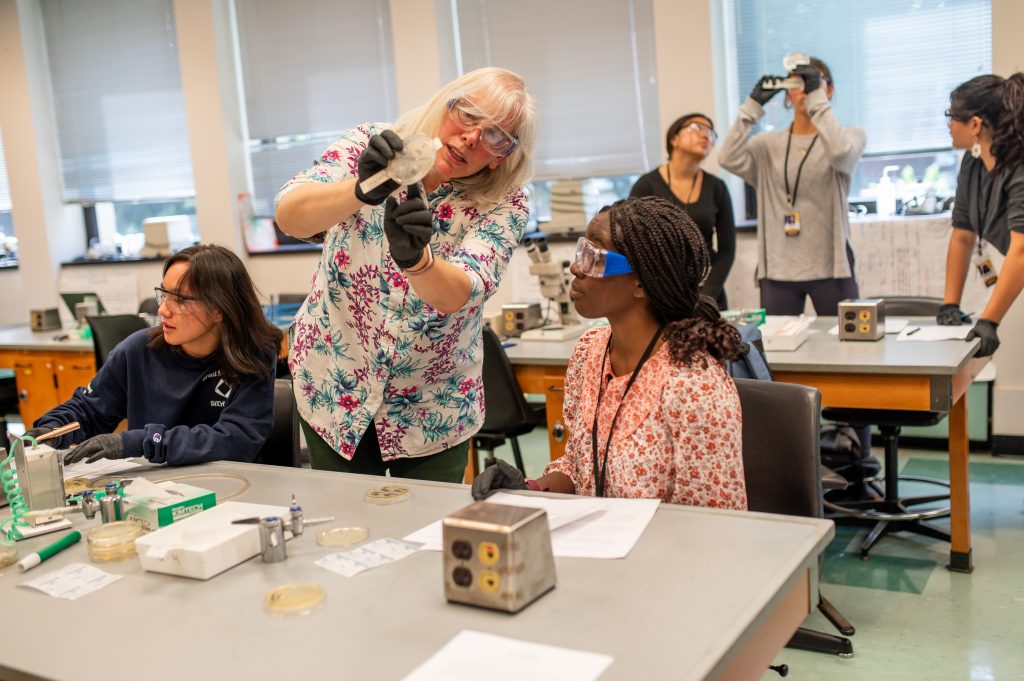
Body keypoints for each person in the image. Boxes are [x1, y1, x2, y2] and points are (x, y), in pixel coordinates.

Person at [274, 67, 536, 482]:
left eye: (494, 135)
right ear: (446, 104)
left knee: (429, 531)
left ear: (503, 154)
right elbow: (290, 216)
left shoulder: (505, 201)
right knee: (350, 522)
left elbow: (462, 291)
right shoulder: (370, 143)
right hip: (336, 386)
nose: (471, 137)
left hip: (434, 406)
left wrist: (419, 262)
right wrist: (363, 188)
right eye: (467, 114)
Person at [473, 196, 748, 509]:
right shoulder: (590, 351)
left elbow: (714, 524)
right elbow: (579, 469)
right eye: (581, 250)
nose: (576, 267)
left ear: (642, 283)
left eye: (594, 255)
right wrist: (530, 487)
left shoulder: (694, 385)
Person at [25, 244, 282, 466]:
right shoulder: (137, 350)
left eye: (180, 300)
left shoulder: (252, 355)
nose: (163, 310)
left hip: (232, 484)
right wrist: (53, 428)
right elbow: (89, 411)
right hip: (154, 487)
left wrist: (139, 442)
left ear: (218, 309)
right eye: (163, 295)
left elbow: (236, 441)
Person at [718, 57, 866, 315]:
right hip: (778, 267)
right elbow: (727, 158)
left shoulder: (849, 136)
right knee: (779, 349)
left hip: (833, 265)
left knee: (846, 347)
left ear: (828, 90)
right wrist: (751, 108)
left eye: (813, 82)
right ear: (787, 92)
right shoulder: (767, 144)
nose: (805, 90)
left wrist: (816, 99)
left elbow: (842, 154)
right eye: (798, 83)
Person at [936, 73, 1024, 358]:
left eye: (952, 116)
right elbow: (963, 234)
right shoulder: (973, 162)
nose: (948, 124)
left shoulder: (1019, 166)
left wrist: (989, 321)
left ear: (975, 124)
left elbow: (1022, 250)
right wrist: (950, 303)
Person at [629, 113, 736, 309]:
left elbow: (727, 250)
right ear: (674, 139)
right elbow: (634, 244)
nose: (706, 136)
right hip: (659, 295)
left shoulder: (717, 187)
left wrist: (707, 296)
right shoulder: (646, 186)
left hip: (708, 293)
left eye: (711, 134)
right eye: (697, 128)